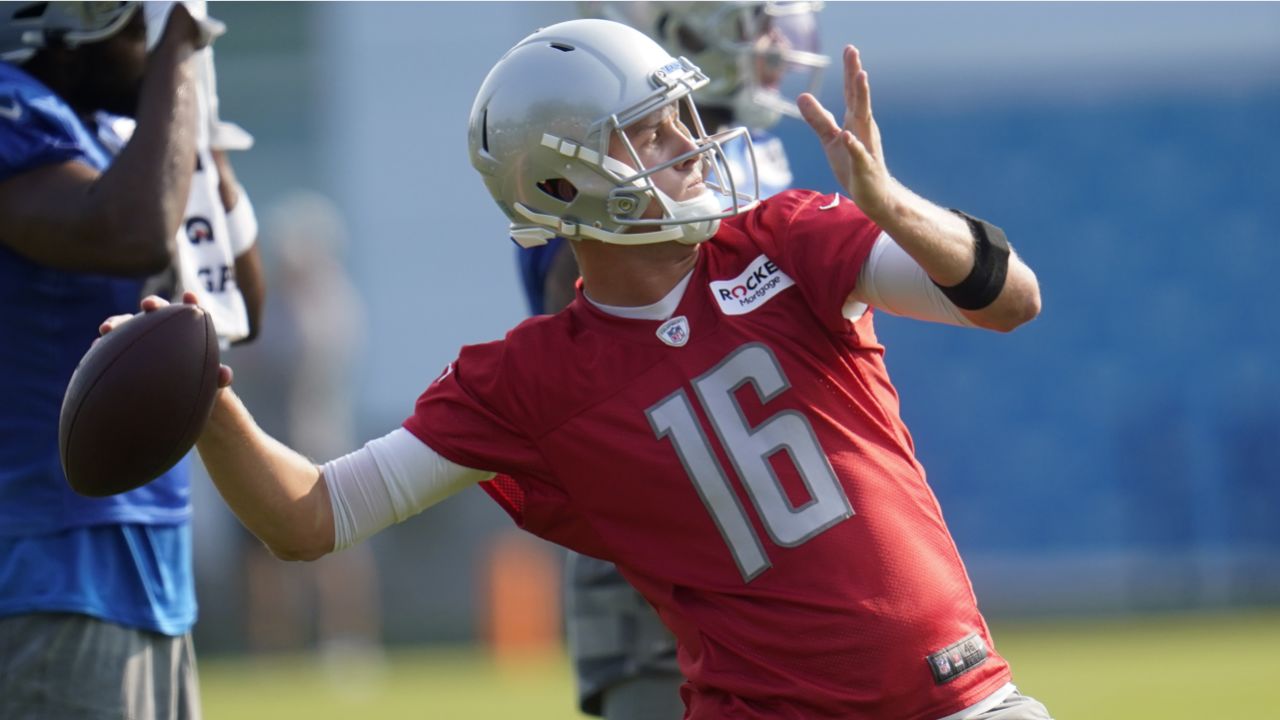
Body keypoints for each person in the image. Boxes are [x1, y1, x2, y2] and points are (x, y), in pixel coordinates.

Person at [120, 18, 1049, 719]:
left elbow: (1008, 300)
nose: (691, 142)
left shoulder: (787, 239)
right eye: (651, 130)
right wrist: (209, 406)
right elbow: (308, 517)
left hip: (966, 700)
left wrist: (892, 206)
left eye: (683, 115)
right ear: (561, 183)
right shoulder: (529, 383)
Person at [517, 3, 829, 717]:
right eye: (755, 19)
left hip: (780, 556)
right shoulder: (603, 177)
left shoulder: (745, 156)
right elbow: (592, 336)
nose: (778, 41)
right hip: (666, 562)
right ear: (678, 27)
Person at [0, 2, 260, 718]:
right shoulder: (11, 108)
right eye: (138, 18)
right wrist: (178, 39)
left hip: (148, 566)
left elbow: (238, 306)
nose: (154, 40)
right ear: (69, 23)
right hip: (44, 564)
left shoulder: (113, 136)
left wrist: (197, 129)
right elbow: (129, 234)